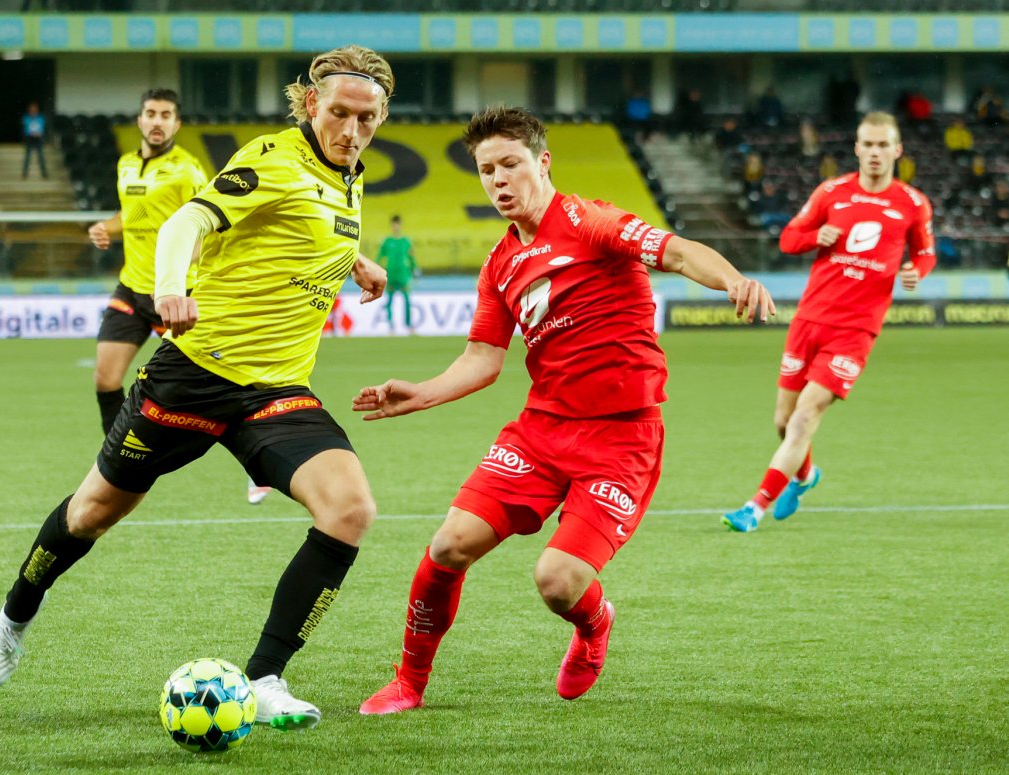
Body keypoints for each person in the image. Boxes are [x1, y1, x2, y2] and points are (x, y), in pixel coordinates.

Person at [0, 45, 395, 733]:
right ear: (311, 104)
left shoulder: (347, 176)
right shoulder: (273, 157)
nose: (351, 131)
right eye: (340, 114)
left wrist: (358, 260)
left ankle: (265, 677)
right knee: (91, 514)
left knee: (350, 509)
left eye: (367, 119)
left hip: (275, 391)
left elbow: (301, 228)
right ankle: (14, 616)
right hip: (194, 376)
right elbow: (186, 222)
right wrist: (170, 287)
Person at [354, 106, 774, 715]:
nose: (499, 180)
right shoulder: (499, 265)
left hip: (621, 440)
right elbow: (483, 359)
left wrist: (732, 279)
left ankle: (595, 624)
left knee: (557, 581)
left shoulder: (592, 222)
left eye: (510, 164)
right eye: (486, 171)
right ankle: (409, 683)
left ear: (543, 162)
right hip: (542, 433)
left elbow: (677, 252)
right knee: (448, 546)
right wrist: (421, 392)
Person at [722, 112, 935, 533]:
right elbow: (788, 238)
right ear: (856, 148)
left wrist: (917, 271)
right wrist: (812, 238)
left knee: (804, 417)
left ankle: (754, 507)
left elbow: (925, 253)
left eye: (883, 145)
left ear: (897, 150)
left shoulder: (913, 204)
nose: (875, 153)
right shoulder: (832, 193)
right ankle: (805, 475)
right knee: (783, 421)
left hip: (856, 330)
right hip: (810, 320)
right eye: (868, 144)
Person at [86, 88, 271, 506]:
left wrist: (180, 274)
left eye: (166, 115)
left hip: (177, 294)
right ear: (140, 119)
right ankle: (117, 463)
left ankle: (259, 468)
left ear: (177, 123)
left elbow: (208, 225)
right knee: (105, 379)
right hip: (133, 287)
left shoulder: (187, 170)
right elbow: (135, 212)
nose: (157, 121)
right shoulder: (126, 164)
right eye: (151, 113)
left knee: (218, 384)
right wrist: (107, 228)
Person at [375, 215, 418, 334]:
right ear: (391, 226)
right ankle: (391, 327)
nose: (395, 227)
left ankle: (409, 326)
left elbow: (411, 258)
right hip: (391, 276)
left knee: (407, 301)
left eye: (397, 224)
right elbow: (380, 256)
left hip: (403, 276)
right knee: (389, 301)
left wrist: (415, 270)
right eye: (394, 225)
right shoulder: (387, 241)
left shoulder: (406, 242)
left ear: (400, 225)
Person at [21, 101, 48, 180]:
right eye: (31, 109)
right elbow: (24, 129)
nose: (33, 111)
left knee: (41, 156)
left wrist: (40, 133)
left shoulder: (41, 118)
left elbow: (43, 128)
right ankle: (25, 173)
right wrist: (30, 133)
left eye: (34, 109)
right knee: (27, 157)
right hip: (29, 139)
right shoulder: (26, 118)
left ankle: (44, 173)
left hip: (38, 139)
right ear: (29, 110)